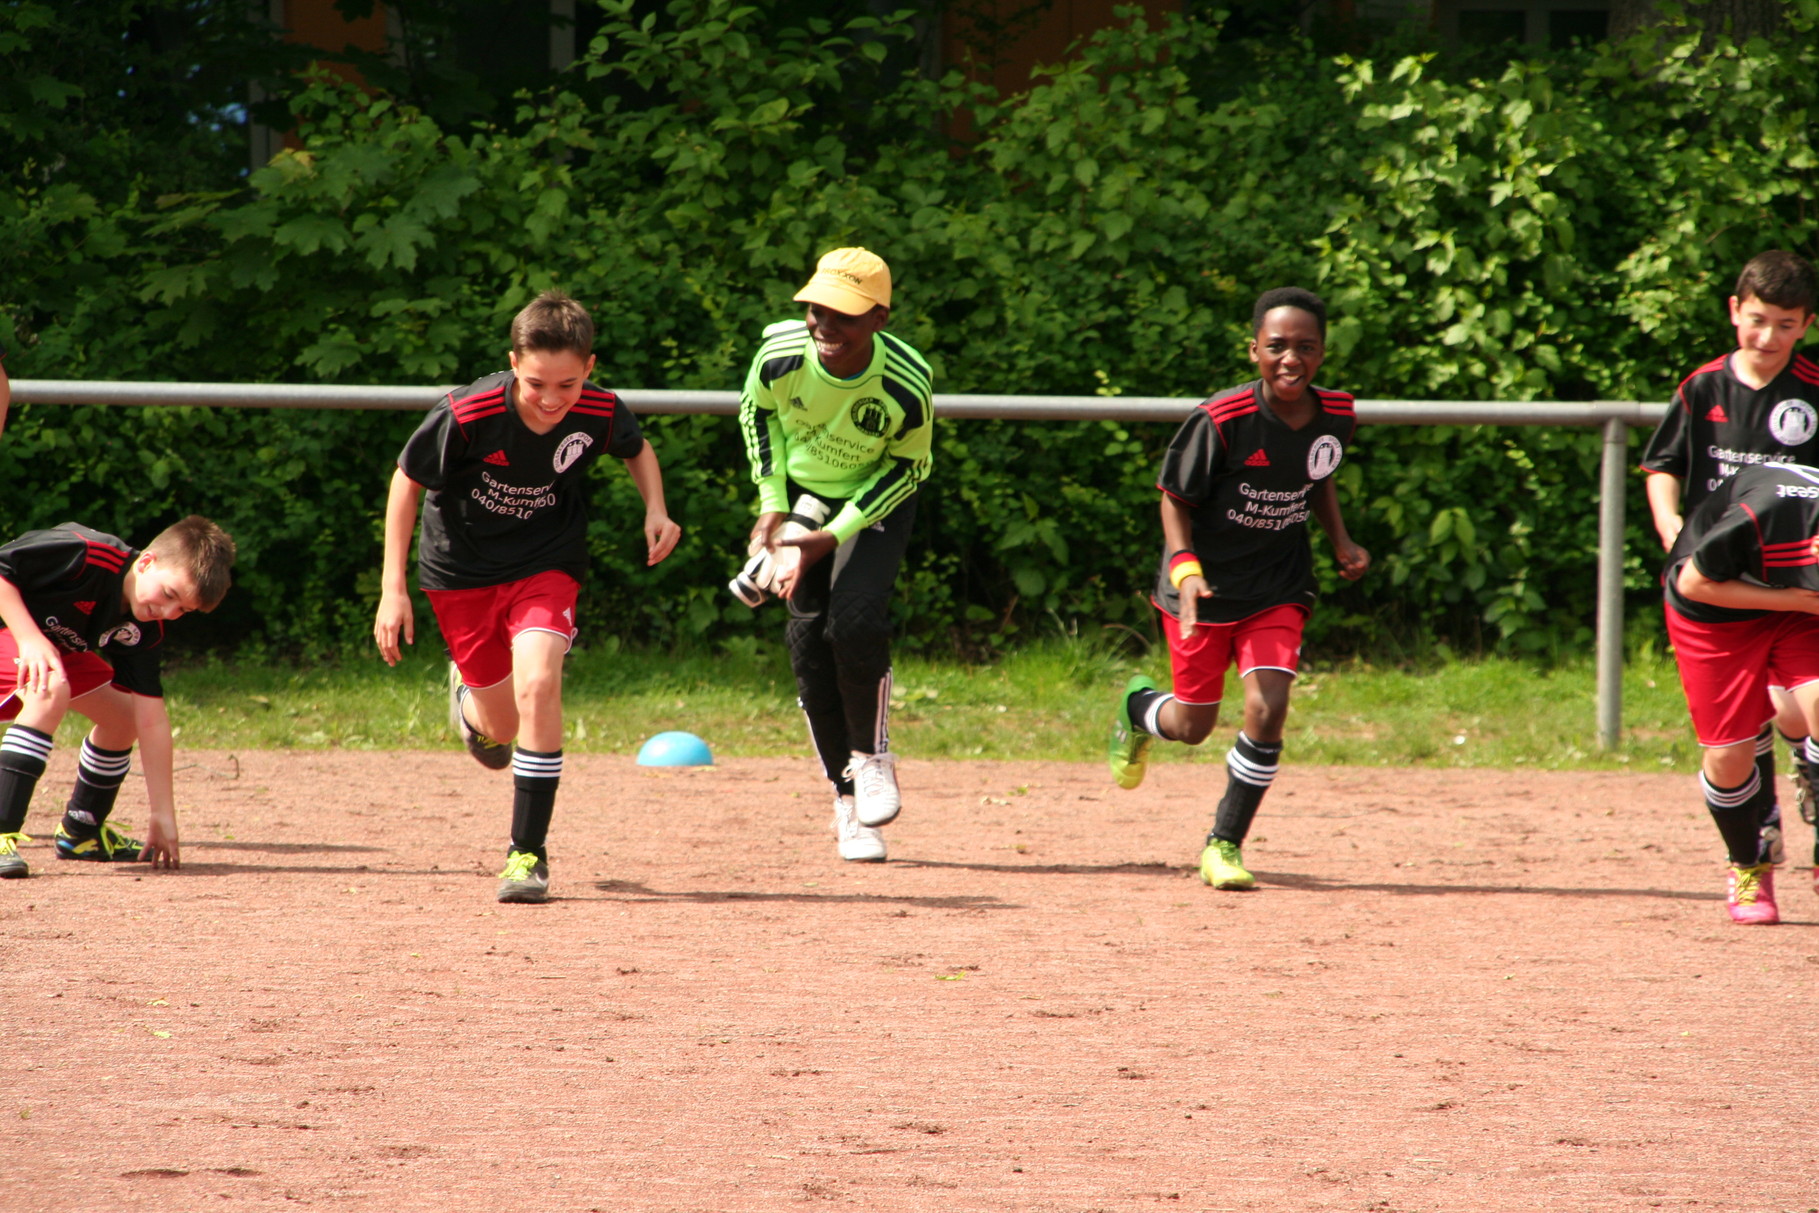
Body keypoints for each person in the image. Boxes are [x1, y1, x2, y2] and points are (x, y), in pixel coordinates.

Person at [373, 290, 682, 904]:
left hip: (548, 562)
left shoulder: (597, 408)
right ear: (513, 363)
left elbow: (636, 448)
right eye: (537, 382)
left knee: (540, 683)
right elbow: (406, 482)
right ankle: (469, 703)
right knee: (501, 727)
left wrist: (657, 508)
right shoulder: (468, 413)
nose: (550, 399)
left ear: (590, 368)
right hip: (461, 571)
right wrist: (392, 589)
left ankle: (526, 855)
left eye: (567, 384)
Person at [1106, 287, 1369, 891]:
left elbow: (1319, 476)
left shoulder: (1338, 414)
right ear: (1255, 350)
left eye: (1306, 347)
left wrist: (1341, 542)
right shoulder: (1221, 420)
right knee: (1192, 725)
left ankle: (1224, 843)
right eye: (1277, 346)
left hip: (1278, 587)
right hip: (1202, 590)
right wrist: (1186, 569)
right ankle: (1138, 710)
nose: (1291, 359)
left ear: (1322, 354)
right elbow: (1174, 500)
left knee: (1268, 708)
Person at [736, 247, 934, 863]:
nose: (824, 324)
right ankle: (847, 801)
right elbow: (756, 416)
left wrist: (834, 533)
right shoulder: (779, 355)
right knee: (807, 645)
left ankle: (873, 758)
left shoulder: (906, 381)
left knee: (856, 618)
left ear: (879, 317)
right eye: (817, 308)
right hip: (801, 499)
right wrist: (773, 502)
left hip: (875, 501)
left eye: (843, 315)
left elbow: (911, 467)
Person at [1640, 250, 1819, 870]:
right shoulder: (1703, 386)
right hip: (1718, 579)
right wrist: (1669, 524)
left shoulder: (1815, 388)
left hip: (1798, 577)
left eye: (1786, 324)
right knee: (1737, 744)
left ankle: (1809, 787)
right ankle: (1755, 848)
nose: (1769, 337)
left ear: (1807, 324)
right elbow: (1663, 465)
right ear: (1734, 312)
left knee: (1806, 705)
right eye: (1758, 319)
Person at [0, 516, 236, 879]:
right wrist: (30, 639)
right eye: (170, 595)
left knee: (124, 717)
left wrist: (162, 812)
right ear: (146, 563)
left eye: (183, 611)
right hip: (14, 629)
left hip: (47, 648)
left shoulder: (143, 628)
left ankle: (82, 831)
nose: (169, 613)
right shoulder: (87, 554)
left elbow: (151, 719)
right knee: (51, 686)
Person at [1660, 461, 1819, 924]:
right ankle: (1748, 864)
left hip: (1798, 606)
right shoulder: (1764, 514)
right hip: (1713, 611)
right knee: (1730, 756)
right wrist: (1795, 598)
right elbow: (1695, 581)